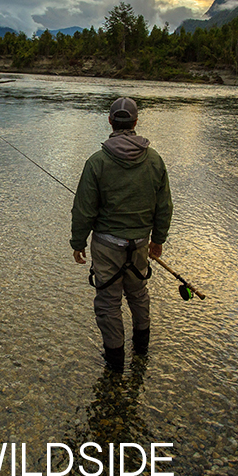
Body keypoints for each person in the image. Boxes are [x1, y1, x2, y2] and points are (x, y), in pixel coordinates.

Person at [70, 97, 173, 372]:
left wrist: (77, 242)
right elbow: (164, 206)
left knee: (108, 303)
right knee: (138, 294)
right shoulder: (155, 161)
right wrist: (158, 240)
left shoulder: (97, 162)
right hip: (140, 245)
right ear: (136, 123)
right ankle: (141, 352)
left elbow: (83, 209)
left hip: (106, 247)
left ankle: (114, 365)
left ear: (110, 121)